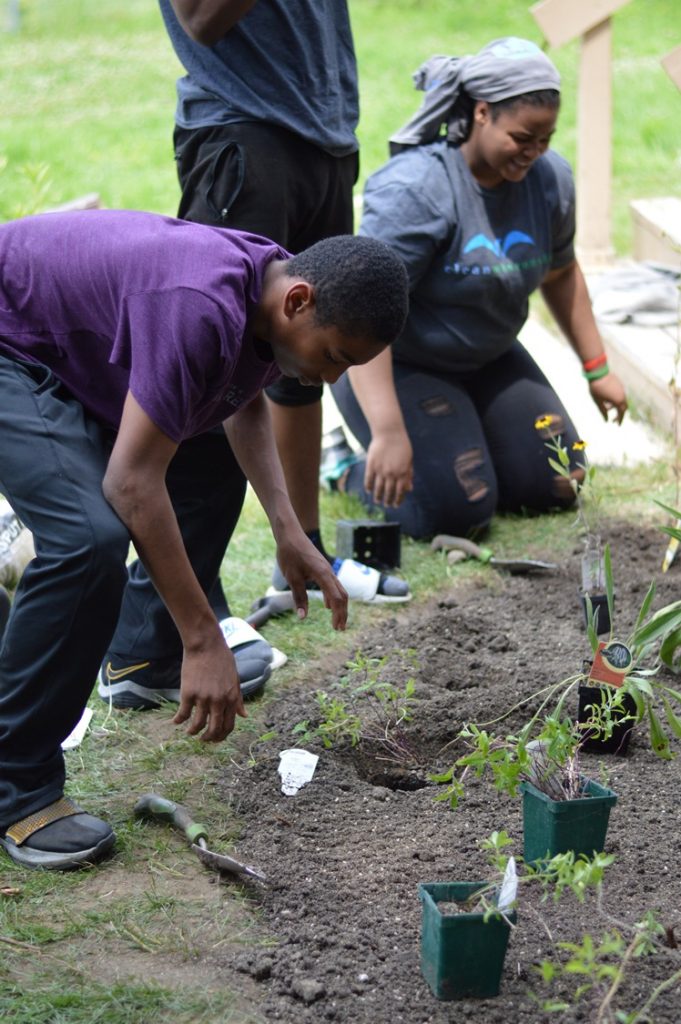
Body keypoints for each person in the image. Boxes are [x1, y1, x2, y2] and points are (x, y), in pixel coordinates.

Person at [0, 208, 409, 869]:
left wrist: (288, 529)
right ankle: (16, 789)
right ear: (298, 302)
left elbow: (239, 398)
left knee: (208, 455)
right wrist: (204, 636)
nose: (331, 380)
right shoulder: (201, 304)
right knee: (87, 541)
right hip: (13, 345)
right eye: (334, 357)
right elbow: (132, 485)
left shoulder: (269, 285)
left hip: (59, 346)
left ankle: (143, 657)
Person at [151, 0, 410, 644]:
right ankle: (181, 618)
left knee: (304, 363)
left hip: (324, 132)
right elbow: (201, 19)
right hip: (246, 131)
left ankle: (302, 554)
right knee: (213, 371)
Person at [330, 37, 628, 541]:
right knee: (459, 512)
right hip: (399, 361)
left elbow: (560, 271)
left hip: (488, 355)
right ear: (483, 113)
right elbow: (362, 310)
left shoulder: (550, 180)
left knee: (562, 480)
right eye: (522, 137)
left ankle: (469, 449)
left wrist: (597, 368)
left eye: (546, 139)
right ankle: (342, 468)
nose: (534, 153)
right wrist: (387, 431)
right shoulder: (418, 191)